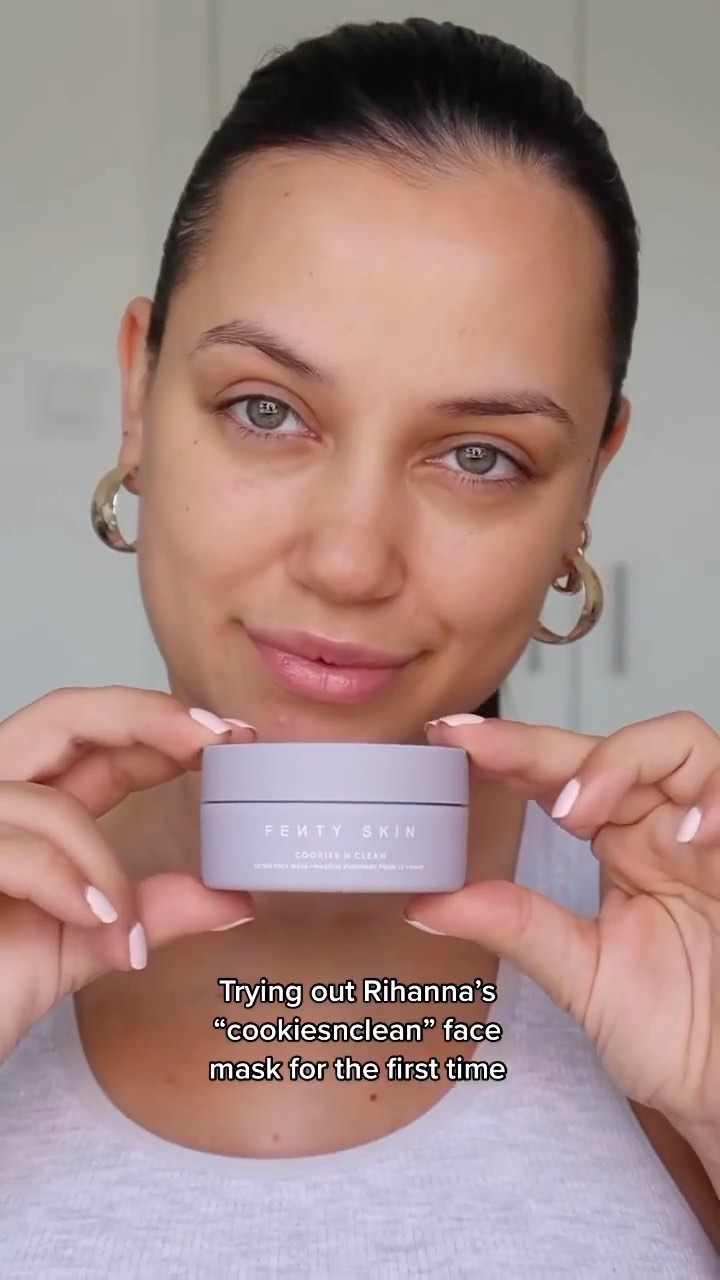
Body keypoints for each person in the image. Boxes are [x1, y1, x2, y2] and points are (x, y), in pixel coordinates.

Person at [0, 17, 718, 1277]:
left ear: (586, 485)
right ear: (139, 396)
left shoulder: (680, 941)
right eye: (266, 409)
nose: (348, 558)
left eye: (480, 454)